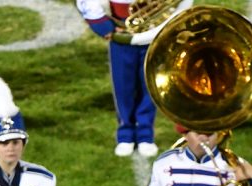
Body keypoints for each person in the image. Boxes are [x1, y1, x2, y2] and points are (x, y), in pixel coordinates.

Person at [75, 0, 191, 157]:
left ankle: (145, 134)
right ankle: (126, 133)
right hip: (120, 24)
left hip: (157, 22)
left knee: (149, 82)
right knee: (123, 84)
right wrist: (101, 24)